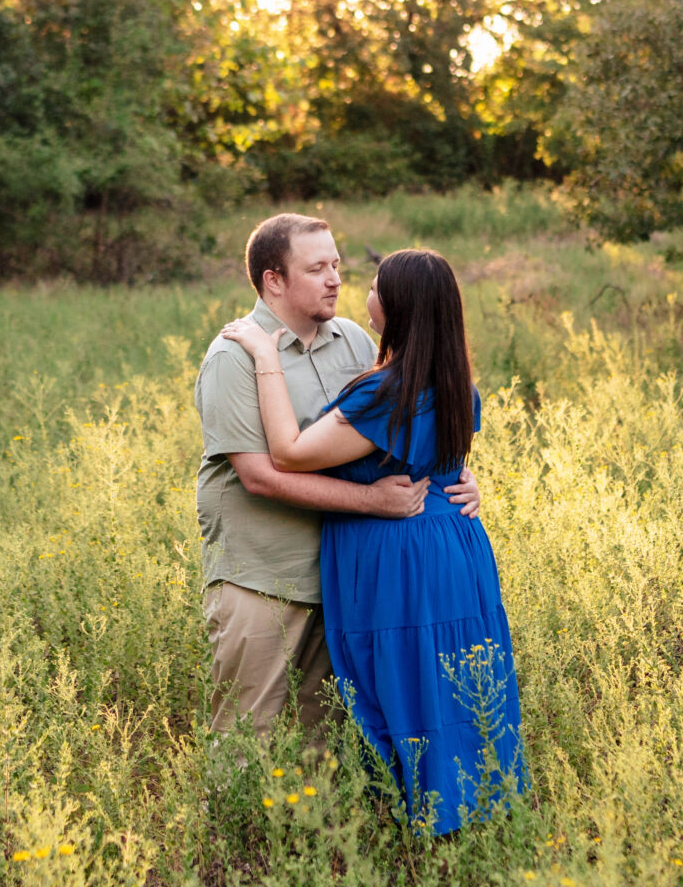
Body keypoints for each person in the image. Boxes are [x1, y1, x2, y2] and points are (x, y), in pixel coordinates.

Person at [218, 246, 526, 834]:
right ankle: (473, 814)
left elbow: (288, 453)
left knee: (400, 683)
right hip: (455, 548)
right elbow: (442, 459)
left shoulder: (389, 393)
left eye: (375, 285)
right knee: (455, 683)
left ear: (397, 305)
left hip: (401, 557)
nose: (360, 291)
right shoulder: (453, 380)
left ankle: (421, 822)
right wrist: (465, 483)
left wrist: (263, 354)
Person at [193, 214, 482, 742]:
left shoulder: (352, 340)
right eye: (316, 268)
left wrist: (452, 474)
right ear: (273, 280)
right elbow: (260, 476)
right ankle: (232, 829)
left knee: (324, 738)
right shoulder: (233, 357)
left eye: (337, 265)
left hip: (345, 576)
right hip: (264, 574)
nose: (335, 279)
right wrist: (371, 501)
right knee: (246, 734)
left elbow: (401, 419)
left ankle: (316, 829)